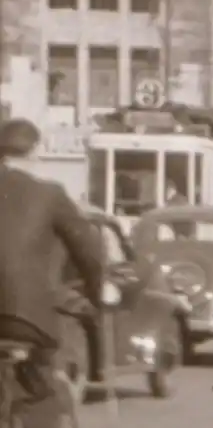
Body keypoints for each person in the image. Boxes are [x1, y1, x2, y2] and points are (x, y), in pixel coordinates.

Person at [0, 118, 104, 428]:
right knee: (41, 391)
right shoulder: (50, 194)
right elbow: (90, 251)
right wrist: (98, 294)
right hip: (27, 320)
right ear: (35, 151)